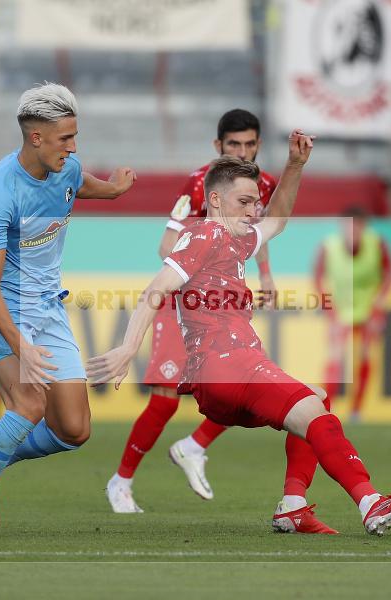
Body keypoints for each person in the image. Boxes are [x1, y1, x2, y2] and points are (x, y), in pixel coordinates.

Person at [88, 132, 391, 536]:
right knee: (312, 406)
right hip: (228, 365)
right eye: (245, 202)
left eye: (255, 202)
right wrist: (128, 348)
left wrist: (294, 167)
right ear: (215, 200)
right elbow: (156, 288)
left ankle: (293, 506)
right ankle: (372, 503)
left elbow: (278, 221)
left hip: (220, 379)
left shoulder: (234, 238)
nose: (254, 211)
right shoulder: (207, 233)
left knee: (317, 400)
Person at [0, 82, 136, 538]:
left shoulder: (67, 167)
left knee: (74, 429)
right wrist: (21, 346)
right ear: (36, 138)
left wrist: (113, 191)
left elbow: (80, 183)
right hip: (2, 313)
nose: (73, 147)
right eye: (65, 138)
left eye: (74, 136)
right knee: (28, 404)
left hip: (48, 309)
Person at [106, 109, 286, 514]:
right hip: (183, 303)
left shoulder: (263, 183)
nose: (243, 151)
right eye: (234, 144)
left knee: (244, 386)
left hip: (222, 311)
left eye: (250, 144)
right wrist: (208, 267)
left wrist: (267, 274)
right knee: (165, 401)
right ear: (217, 146)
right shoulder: (199, 184)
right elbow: (166, 246)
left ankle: (194, 445)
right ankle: (121, 481)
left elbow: (253, 233)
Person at [313, 207, 391, 422]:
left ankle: (357, 410)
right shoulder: (329, 246)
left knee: (365, 355)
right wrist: (328, 308)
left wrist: (379, 303)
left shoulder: (377, 243)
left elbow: (389, 273)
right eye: (348, 226)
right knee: (336, 357)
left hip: (368, 308)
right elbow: (318, 277)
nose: (352, 232)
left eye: (357, 226)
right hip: (340, 308)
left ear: (364, 227)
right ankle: (326, 408)